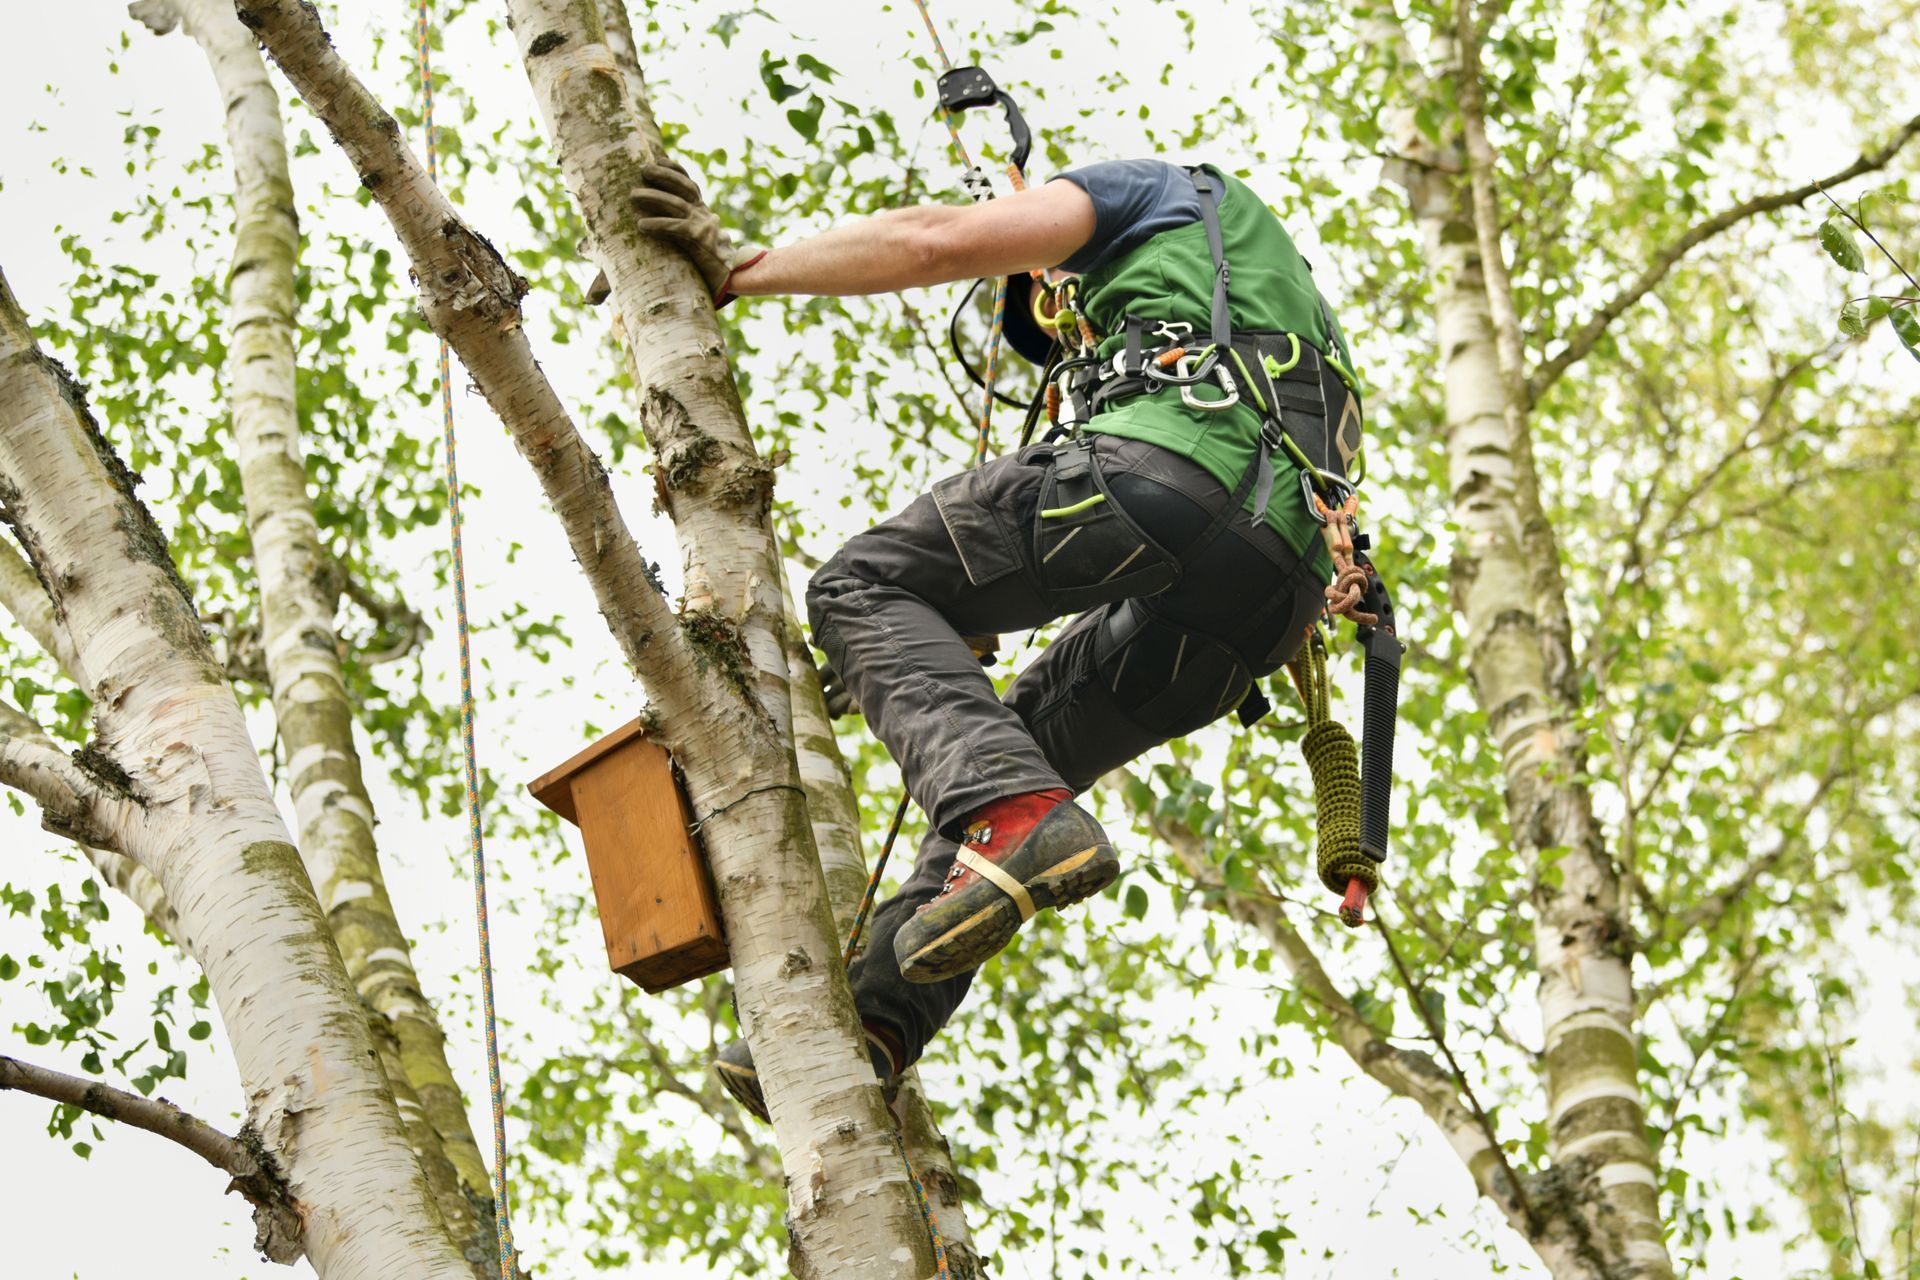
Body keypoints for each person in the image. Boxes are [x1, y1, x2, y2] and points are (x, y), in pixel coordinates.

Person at [614, 156, 1367, 1121]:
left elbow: (932, 240)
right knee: (1020, 758)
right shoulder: (1271, 292)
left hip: (1171, 470)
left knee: (859, 585)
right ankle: (880, 1016)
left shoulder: (1147, 192)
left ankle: (1010, 821)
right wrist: (923, 642)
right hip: (1271, 596)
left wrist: (740, 266)